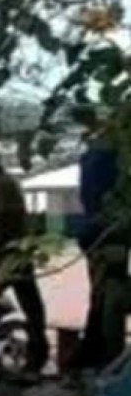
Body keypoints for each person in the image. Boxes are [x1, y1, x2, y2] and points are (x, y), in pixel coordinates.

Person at [0, 143, 49, 373]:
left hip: (8, 253)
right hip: (13, 251)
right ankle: (35, 354)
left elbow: (8, 221)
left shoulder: (3, 184)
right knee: (31, 305)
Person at [70, 131, 126, 370]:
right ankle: (101, 356)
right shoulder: (108, 158)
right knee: (106, 298)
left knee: (104, 297)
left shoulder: (95, 158)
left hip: (103, 230)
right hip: (106, 230)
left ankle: (97, 355)